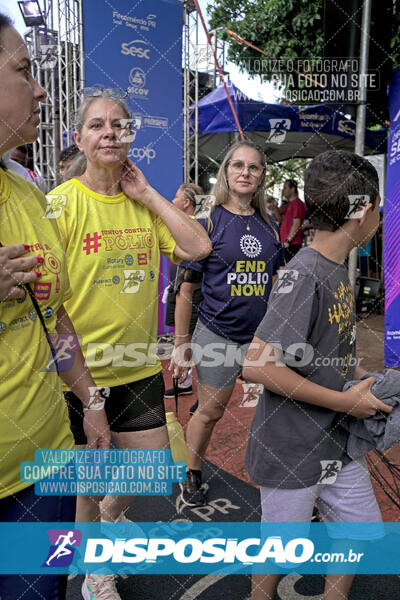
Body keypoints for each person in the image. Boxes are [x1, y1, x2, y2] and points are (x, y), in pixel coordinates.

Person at [48, 90, 211, 599]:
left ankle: (106, 527)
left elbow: (198, 247)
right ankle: (96, 572)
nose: (109, 133)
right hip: (80, 373)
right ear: (79, 138)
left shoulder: (141, 203)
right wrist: (86, 391)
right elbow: (47, 303)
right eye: (97, 125)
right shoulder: (60, 205)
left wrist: (148, 196)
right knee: (86, 486)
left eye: (119, 125)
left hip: (137, 367)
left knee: (150, 472)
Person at [243, 150, 391, 600]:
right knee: (279, 550)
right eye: (379, 205)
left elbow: (328, 352)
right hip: (291, 449)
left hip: (335, 441)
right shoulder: (306, 273)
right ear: (363, 212)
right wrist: (349, 401)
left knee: (360, 529)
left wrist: (366, 376)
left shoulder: (335, 270)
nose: (381, 215)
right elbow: (257, 363)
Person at [0, 15, 110, 600]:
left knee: (45, 593)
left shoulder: (28, 190)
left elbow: (55, 316)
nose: (41, 88)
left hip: (46, 465)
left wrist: (90, 401)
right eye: (23, 71)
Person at [170, 140, 284, 507]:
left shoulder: (269, 226)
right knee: (211, 410)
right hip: (216, 335)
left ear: (262, 175)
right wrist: (181, 343)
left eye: (253, 167)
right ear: (226, 172)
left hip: (259, 340)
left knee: (276, 409)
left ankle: (280, 482)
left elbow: (277, 280)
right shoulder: (208, 220)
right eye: (238, 166)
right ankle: (192, 471)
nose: (245, 173)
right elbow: (186, 290)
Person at [164, 183, 204, 407]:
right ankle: (185, 381)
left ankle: (202, 394)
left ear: (187, 202)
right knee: (185, 340)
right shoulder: (180, 224)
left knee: (193, 341)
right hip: (178, 287)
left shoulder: (197, 227)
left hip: (192, 292)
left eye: (176, 197)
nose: (172, 200)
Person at [279, 178, 306, 261]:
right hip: (284, 242)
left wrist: (288, 240)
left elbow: (296, 224)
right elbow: (282, 220)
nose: (283, 190)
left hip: (291, 244)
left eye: (285, 188)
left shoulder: (297, 204)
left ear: (292, 189)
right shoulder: (289, 204)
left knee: (289, 270)